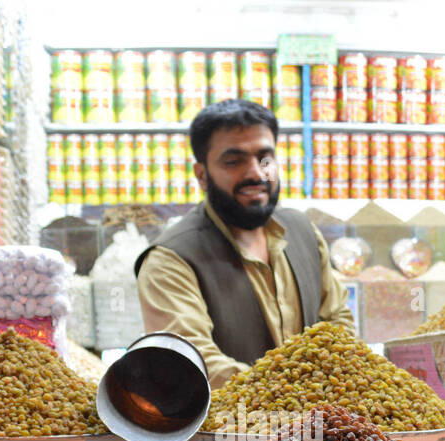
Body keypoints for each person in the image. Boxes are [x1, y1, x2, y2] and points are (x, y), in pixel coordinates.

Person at [135, 100, 356, 387]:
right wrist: (301, 392)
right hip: (232, 427)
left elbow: (338, 320)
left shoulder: (304, 232)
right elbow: (196, 362)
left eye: (265, 158)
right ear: (202, 175)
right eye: (233, 161)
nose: (255, 173)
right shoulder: (171, 259)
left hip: (319, 426)